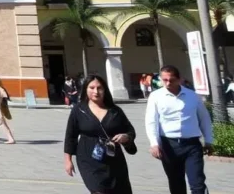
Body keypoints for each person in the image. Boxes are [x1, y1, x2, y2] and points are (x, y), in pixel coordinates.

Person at [145, 65, 213, 194]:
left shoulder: (192, 96)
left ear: (179, 79)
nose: (168, 83)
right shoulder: (155, 96)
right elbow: (151, 121)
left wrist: (209, 140)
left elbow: (204, 118)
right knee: (176, 182)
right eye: (165, 80)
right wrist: (154, 143)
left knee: (197, 183)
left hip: (192, 145)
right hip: (169, 145)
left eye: (172, 79)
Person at [63, 74, 135, 194]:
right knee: (98, 190)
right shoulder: (79, 110)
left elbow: (130, 131)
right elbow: (71, 135)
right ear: (85, 89)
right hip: (88, 158)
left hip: (114, 159)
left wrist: (125, 137)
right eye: (91, 88)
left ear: (104, 90)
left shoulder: (115, 111)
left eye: (99, 88)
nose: (96, 91)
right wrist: (68, 160)